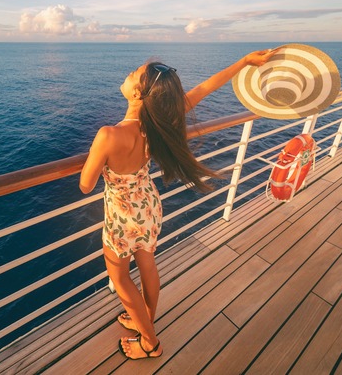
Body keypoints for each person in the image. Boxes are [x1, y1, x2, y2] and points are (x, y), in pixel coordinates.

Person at [79, 49, 275, 360]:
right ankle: (145, 318)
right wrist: (243, 62)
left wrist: (97, 158)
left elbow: (85, 185)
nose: (129, 74)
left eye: (134, 73)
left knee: (119, 277)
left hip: (122, 216)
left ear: (137, 92)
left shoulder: (108, 135)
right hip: (149, 206)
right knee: (147, 264)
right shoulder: (160, 119)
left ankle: (150, 343)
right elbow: (206, 88)